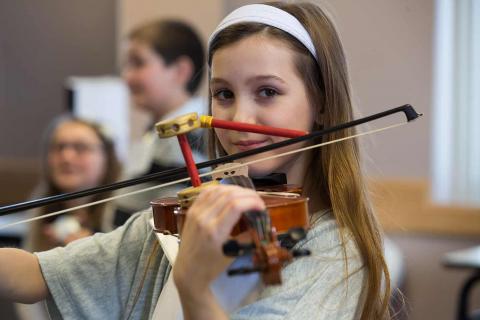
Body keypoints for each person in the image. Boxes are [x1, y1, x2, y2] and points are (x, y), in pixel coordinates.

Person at [0, 2, 391, 319]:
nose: (238, 120)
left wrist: (195, 289)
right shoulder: (184, 217)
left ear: (321, 104)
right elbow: (36, 273)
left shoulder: (336, 255)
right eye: (223, 94)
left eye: (268, 92)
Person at [15, 115, 121, 320]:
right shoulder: (39, 206)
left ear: (106, 156)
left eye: (80, 148)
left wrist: (94, 259)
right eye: (58, 147)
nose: (67, 157)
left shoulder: (122, 209)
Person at [116, 19, 208, 217]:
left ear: (180, 71)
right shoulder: (158, 133)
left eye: (138, 63)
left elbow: (172, 223)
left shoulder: (189, 138)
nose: (127, 76)